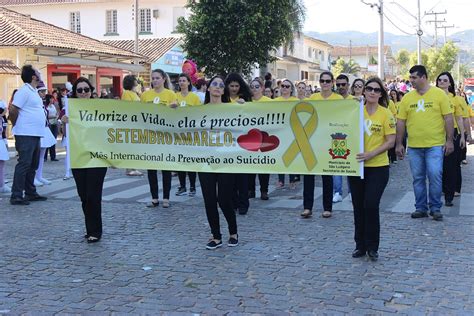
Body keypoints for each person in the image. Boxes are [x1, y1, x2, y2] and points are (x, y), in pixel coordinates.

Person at [396, 65, 454, 221]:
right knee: (418, 178)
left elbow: (448, 118)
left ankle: (435, 208)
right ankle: (420, 207)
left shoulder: (439, 95)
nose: (411, 81)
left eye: (414, 77)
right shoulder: (407, 98)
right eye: (410, 78)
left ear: (423, 77)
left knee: (435, 175)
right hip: (414, 146)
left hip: (434, 145)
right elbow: (401, 121)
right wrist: (399, 143)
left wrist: (449, 140)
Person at [349, 77, 396, 262]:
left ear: (381, 94)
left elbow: (390, 141)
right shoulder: (355, 110)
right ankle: (359, 245)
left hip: (378, 167)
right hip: (356, 167)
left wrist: (371, 154)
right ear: (363, 91)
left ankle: (372, 246)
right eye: (369, 89)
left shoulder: (385, 114)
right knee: (358, 207)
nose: (373, 92)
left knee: (371, 204)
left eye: (377, 90)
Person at [61, 77, 107, 243]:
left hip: (97, 158)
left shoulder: (101, 108)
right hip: (79, 157)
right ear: (75, 92)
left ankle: (96, 231)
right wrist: (63, 122)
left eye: (86, 89)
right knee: (84, 196)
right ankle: (89, 229)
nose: (83, 93)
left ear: (91, 91)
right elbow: (65, 134)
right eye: (79, 90)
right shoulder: (70, 109)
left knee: (93, 195)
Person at [199, 75, 238, 249]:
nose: (217, 87)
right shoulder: (199, 111)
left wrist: (247, 107)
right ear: (208, 88)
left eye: (221, 85)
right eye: (214, 84)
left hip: (225, 159)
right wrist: (174, 110)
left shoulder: (232, 109)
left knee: (224, 199)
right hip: (205, 160)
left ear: (224, 90)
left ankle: (233, 231)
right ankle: (216, 236)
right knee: (209, 199)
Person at [302, 72, 342, 219]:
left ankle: (327, 208)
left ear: (332, 83)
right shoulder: (313, 98)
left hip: (329, 140)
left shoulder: (338, 99)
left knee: (327, 176)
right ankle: (307, 207)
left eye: (327, 81)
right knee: (308, 175)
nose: (325, 83)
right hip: (313, 140)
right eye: (322, 81)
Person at [8, 65, 48, 205]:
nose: (39, 73)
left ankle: (30, 192)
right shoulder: (24, 91)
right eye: (38, 72)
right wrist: (16, 124)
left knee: (33, 165)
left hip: (35, 133)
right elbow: (13, 109)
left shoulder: (33, 91)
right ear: (33, 77)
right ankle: (16, 195)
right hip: (25, 133)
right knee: (24, 164)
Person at [140, 69, 177, 208]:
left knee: (165, 168)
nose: (155, 80)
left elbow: (175, 115)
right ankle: (154, 198)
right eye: (153, 78)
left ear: (163, 79)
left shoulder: (170, 94)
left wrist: (173, 108)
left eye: (157, 78)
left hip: (165, 136)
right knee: (151, 169)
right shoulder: (145, 95)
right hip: (150, 136)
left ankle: (166, 198)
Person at [436, 72, 465, 206]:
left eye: (445, 80)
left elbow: (459, 118)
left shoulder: (456, 99)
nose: (441, 82)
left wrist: (463, 136)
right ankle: (440, 190)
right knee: (437, 166)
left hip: (451, 133)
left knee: (451, 166)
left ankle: (449, 195)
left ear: (450, 83)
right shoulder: (432, 97)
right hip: (435, 133)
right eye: (439, 80)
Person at [225, 73, 252, 214]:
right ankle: (233, 202)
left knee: (242, 176)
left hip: (242, 141)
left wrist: (245, 105)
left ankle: (243, 204)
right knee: (230, 177)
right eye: (231, 86)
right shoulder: (223, 99)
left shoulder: (246, 99)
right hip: (226, 142)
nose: (234, 89)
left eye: (236, 86)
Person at [175, 73, 201, 197]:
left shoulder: (194, 97)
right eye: (180, 81)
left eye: (184, 80)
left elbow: (199, 114)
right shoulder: (175, 97)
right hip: (178, 134)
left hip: (191, 133)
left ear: (189, 82)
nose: (181, 83)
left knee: (190, 161)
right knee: (180, 161)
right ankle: (182, 186)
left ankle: (192, 186)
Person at [248, 78, 271, 200]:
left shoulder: (269, 102)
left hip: (264, 136)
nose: (254, 89)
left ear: (262, 88)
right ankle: (251, 190)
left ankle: (264, 190)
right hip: (250, 136)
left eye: (257, 86)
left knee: (263, 165)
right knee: (250, 165)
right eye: (252, 86)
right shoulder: (247, 101)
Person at [273, 79, 299, 189]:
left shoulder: (296, 100)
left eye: (287, 86)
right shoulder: (275, 101)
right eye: (283, 86)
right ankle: (281, 180)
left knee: (291, 157)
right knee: (280, 156)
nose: (284, 88)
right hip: (280, 131)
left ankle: (292, 180)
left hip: (292, 131)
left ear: (291, 89)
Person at [333, 74, 351, 203]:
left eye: (343, 84)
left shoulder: (354, 100)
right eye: (338, 84)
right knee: (336, 165)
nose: (340, 87)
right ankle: (337, 192)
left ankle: (351, 192)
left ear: (348, 85)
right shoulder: (333, 100)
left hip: (351, 136)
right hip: (336, 136)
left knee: (350, 166)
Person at [121, 74, 143, 177]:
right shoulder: (127, 94)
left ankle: (133, 167)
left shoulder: (134, 93)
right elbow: (127, 108)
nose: (137, 81)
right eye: (135, 80)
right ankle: (130, 168)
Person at [34, 89, 57, 186]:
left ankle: (39, 176)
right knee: (35, 156)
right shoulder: (34, 103)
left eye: (44, 92)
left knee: (41, 155)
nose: (44, 94)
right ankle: (33, 177)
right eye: (41, 92)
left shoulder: (42, 104)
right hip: (37, 130)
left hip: (44, 129)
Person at [44, 93, 59, 162]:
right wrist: (53, 117)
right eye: (51, 98)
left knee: (53, 140)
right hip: (49, 123)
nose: (52, 99)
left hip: (54, 123)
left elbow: (56, 113)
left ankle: (53, 156)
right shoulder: (45, 107)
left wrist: (56, 116)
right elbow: (46, 116)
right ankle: (45, 156)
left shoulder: (53, 106)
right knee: (48, 140)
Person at [0, 100, 10, 193]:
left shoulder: (3, 119)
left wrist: (5, 142)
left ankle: (2, 184)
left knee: (2, 163)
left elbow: (4, 132)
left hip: (1, 141)